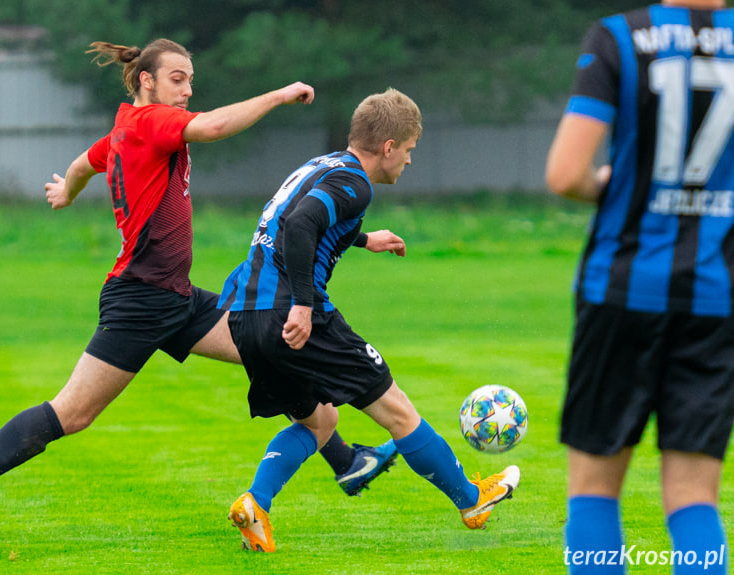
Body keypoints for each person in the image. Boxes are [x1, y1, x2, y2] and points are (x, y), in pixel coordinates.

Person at [0, 38, 396, 540]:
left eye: (191, 80)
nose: (187, 89)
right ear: (146, 81)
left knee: (277, 340)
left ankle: (345, 460)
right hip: (140, 300)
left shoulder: (124, 131)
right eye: (177, 79)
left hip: (177, 298)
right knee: (74, 412)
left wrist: (68, 188)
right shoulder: (151, 122)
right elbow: (213, 126)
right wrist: (279, 95)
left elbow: (88, 161)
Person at [219, 88, 520, 553]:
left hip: (244, 313)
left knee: (319, 421)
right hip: (293, 313)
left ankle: (255, 504)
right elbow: (300, 225)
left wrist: (360, 239)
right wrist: (302, 303)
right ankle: (472, 500)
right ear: (388, 147)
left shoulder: (322, 166)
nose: (409, 161)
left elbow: (302, 217)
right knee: (396, 409)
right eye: (409, 151)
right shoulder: (355, 183)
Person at [546, 1, 734, 573]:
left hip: (622, 287)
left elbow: (567, 175)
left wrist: (616, 182)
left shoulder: (620, 38)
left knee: (595, 485)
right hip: (716, 297)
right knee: (695, 494)